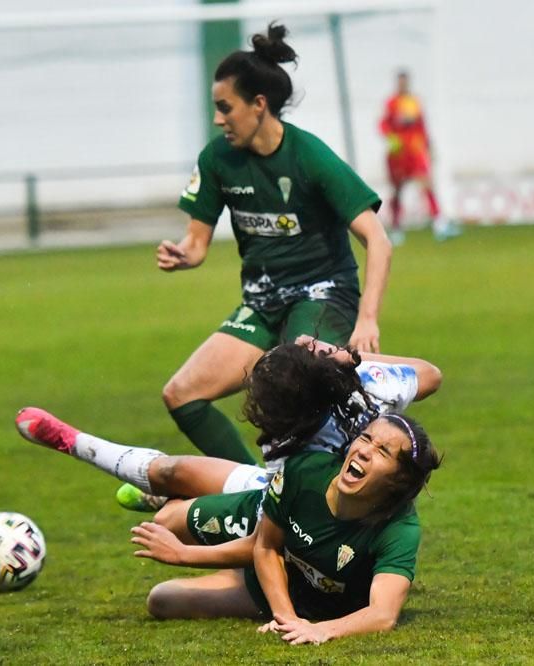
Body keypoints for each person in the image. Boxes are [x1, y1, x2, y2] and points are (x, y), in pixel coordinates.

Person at [15, 344, 442, 642]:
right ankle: (73, 441)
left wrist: (361, 359)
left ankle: (167, 505)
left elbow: (430, 374)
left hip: (305, 516)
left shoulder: (371, 389)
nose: (314, 342)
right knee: (173, 470)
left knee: (169, 523)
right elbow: (270, 543)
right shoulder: (294, 459)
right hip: (277, 493)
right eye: (365, 440)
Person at [157, 23, 392, 465]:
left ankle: (352, 478)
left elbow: (377, 240)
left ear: (258, 105)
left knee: (288, 391)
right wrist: (184, 254)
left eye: (225, 108)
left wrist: (368, 319)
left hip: (323, 295)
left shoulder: (309, 156)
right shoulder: (217, 160)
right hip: (263, 302)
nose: (217, 119)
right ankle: (253, 490)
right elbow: (197, 242)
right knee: (182, 394)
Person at [379, 69, 458, 244]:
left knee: (427, 184)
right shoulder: (392, 103)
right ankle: (397, 228)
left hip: (415, 151)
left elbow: (422, 125)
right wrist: (392, 138)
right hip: (399, 155)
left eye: (405, 81)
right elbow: (383, 125)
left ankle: (440, 224)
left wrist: (429, 146)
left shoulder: (414, 101)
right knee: (397, 190)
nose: (403, 84)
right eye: (400, 82)